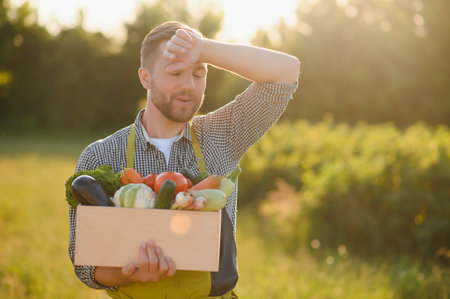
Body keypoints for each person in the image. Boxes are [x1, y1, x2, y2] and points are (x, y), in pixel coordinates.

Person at [69, 21, 299, 298]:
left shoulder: (223, 135)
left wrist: (204, 49)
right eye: (175, 72)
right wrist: (128, 273)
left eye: (198, 74)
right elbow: (85, 264)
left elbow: (286, 73)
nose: (189, 86)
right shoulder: (101, 155)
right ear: (145, 77)